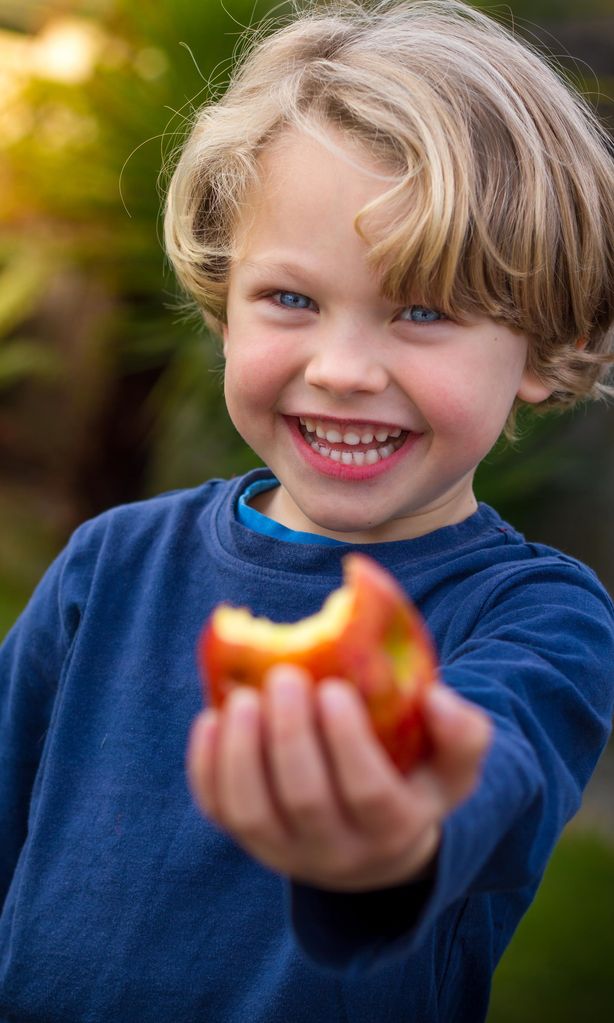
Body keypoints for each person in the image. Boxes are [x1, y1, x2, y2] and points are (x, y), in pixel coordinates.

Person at [1, 1, 613, 1020]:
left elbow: (486, 777)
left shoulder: (533, 617)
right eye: (290, 299)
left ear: (539, 351)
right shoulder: (110, 566)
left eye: (421, 312)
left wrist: (394, 836)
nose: (340, 370)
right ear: (222, 295)